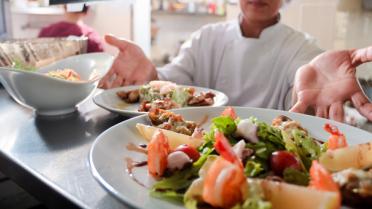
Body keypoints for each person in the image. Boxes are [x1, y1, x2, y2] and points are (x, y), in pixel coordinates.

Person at [98, 0, 372, 122]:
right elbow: (174, 82)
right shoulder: (207, 37)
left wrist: (312, 98)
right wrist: (150, 75)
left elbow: (303, 91)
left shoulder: (302, 47)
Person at [38, 5, 104, 53]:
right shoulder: (92, 37)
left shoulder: (46, 31)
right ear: (86, 12)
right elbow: (99, 64)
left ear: (64, 7)